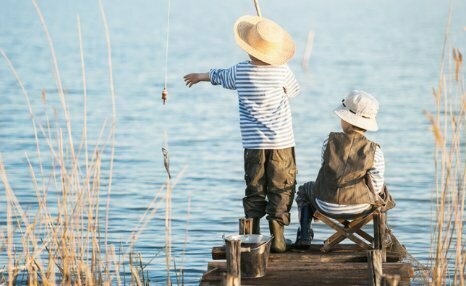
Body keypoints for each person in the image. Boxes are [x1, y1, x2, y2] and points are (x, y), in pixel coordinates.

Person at [183, 15, 300, 253]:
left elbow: (218, 76)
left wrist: (199, 76)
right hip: (282, 143)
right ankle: (278, 239)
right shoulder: (282, 70)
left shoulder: (240, 71)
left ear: (248, 49)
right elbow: (294, 92)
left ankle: (254, 238)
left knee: (255, 188)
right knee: (281, 187)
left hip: (253, 144)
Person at [295, 90, 394, 248]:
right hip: (361, 207)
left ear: (346, 120)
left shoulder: (328, 142)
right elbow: (375, 187)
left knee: (304, 190)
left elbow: (326, 173)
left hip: (325, 204)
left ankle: (304, 235)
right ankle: (382, 237)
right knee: (383, 192)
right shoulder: (375, 151)